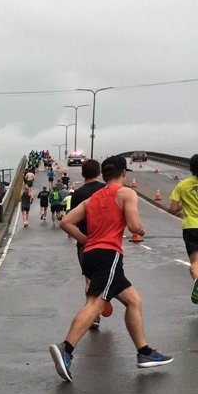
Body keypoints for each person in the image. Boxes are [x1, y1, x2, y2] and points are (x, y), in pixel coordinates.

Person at [49, 155, 172, 382]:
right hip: (108, 254)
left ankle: (144, 352)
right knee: (96, 304)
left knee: (133, 300)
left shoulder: (92, 199)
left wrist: (86, 240)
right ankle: (66, 349)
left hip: (90, 255)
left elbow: (66, 222)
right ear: (124, 173)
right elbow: (134, 226)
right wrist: (141, 230)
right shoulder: (126, 193)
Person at [69, 159, 105, 328]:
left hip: (86, 241)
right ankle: (97, 310)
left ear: (82, 174)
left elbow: (73, 220)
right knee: (105, 279)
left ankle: (93, 315)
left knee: (89, 281)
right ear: (99, 173)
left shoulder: (77, 194)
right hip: (106, 240)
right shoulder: (106, 190)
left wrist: (82, 238)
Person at [167, 153, 198, 304]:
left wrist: (184, 205)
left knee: (195, 263)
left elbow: (172, 209)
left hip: (191, 227)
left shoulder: (183, 185)